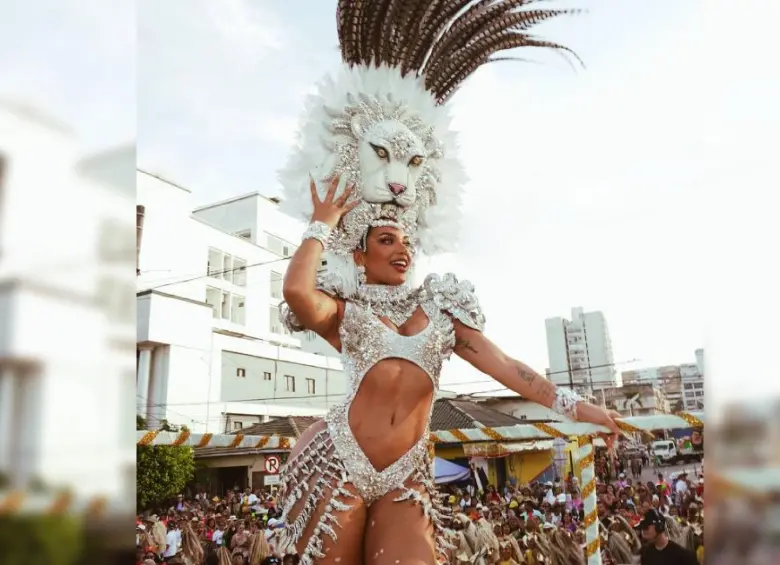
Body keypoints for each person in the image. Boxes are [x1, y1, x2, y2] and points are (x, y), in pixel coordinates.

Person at [271, 1, 622, 564]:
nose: (402, 249)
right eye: (386, 240)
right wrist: (323, 223)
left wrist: (580, 408)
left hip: (406, 472)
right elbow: (294, 292)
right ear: (359, 255)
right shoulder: (347, 312)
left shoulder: (442, 309)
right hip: (338, 461)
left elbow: (510, 371)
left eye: (406, 242)